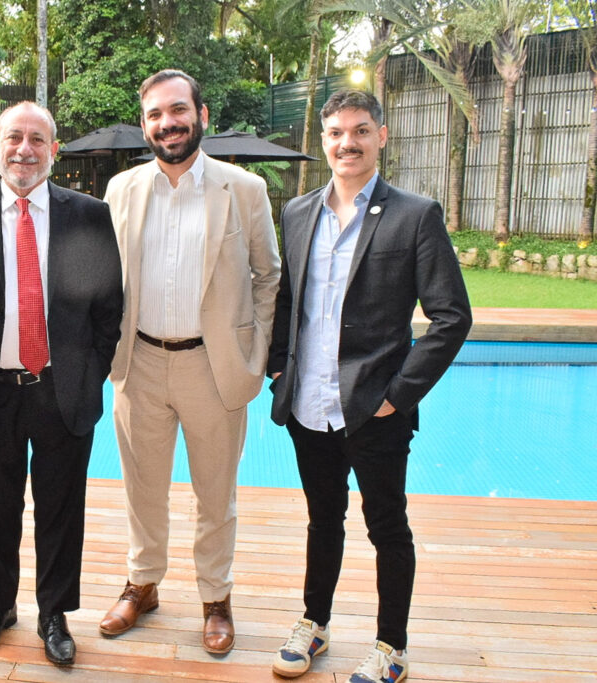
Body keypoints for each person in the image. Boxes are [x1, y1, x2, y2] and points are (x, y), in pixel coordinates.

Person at [267, 89, 472, 682]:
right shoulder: (298, 212)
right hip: (308, 405)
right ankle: (315, 623)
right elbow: (288, 300)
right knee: (321, 519)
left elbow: (451, 316)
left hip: (374, 410)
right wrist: (280, 367)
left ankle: (392, 646)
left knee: (387, 527)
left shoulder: (415, 215)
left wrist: (396, 395)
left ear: (381, 136)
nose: (346, 143)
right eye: (335, 132)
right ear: (323, 139)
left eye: (359, 130)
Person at [99, 69, 281, 655]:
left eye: (177, 110)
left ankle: (215, 597)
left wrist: (254, 357)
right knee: (142, 487)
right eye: (154, 114)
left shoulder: (244, 189)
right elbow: (105, 280)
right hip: (141, 363)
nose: (166, 123)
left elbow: (267, 275)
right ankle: (144, 583)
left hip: (214, 367)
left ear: (202, 115)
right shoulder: (121, 190)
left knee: (215, 493)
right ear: (145, 124)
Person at [0, 101, 123, 667]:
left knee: (61, 507)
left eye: (37, 139)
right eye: (14, 138)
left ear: (53, 149)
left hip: (61, 389)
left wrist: (88, 373)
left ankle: (54, 612)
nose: (25, 149)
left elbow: (108, 307)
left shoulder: (89, 215)